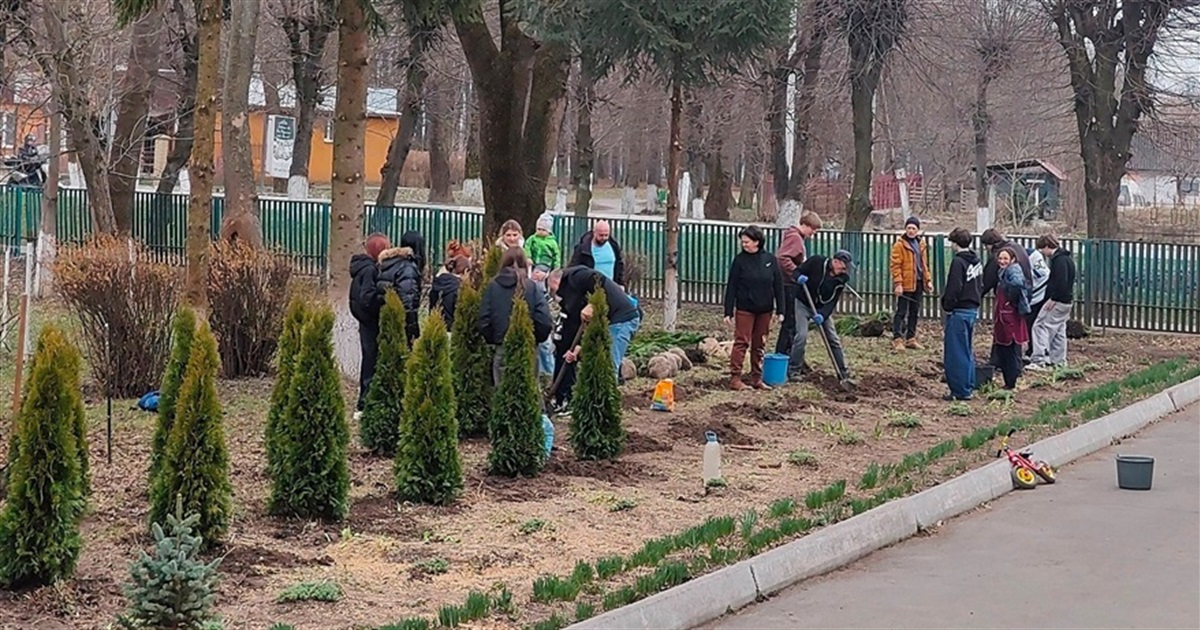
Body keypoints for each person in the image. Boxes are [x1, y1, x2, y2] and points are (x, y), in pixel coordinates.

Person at [547, 265, 641, 409]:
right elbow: (581, 324)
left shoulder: (576, 276)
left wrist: (593, 303)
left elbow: (599, 281)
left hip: (622, 319)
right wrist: (577, 349)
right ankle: (597, 403)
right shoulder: (573, 296)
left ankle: (608, 406)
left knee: (609, 363)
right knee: (600, 360)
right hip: (608, 321)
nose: (555, 294)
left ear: (555, 281)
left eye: (553, 289)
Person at [478, 248, 554, 387]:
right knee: (529, 391)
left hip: (503, 346)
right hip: (528, 347)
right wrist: (535, 339)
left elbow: (484, 319)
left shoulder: (493, 286)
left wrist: (496, 339)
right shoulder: (532, 287)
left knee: (502, 393)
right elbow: (544, 319)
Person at [722, 225, 785, 391]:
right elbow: (732, 286)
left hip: (765, 309)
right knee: (742, 342)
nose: (744, 244)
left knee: (760, 343)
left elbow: (778, 285)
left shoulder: (770, 260)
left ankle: (757, 378)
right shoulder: (739, 261)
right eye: (742, 242)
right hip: (745, 308)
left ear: (757, 241)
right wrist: (728, 311)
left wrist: (781, 310)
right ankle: (735, 378)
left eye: (747, 241)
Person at [787, 250, 853, 382]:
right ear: (835, 262)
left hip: (820, 309)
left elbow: (832, 302)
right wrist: (798, 277)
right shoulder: (817, 262)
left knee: (833, 339)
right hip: (803, 303)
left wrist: (822, 315)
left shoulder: (841, 279)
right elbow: (796, 272)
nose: (844, 270)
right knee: (801, 336)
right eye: (843, 267)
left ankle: (842, 371)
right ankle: (794, 370)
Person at [349, 233, 391, 415]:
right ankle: (364, 402)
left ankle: (366, 399)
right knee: (370, 360)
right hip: (369, 321)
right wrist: (383, 299)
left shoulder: (362, 267)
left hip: (365, 320)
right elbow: (367, 297)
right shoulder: (369, 271)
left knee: (370, 359)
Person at [940, 228, 984, 401]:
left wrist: (947, 305)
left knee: (956, 352)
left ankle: (959, 391)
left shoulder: (958, 262)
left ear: (955, 243)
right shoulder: (976, 261)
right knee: (967, 350)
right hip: (972, 310)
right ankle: (969, 383)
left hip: (959, 311)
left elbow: (954, 287)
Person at [980, 228, 1031, 367]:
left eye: (986, 246)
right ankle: (1011, 361)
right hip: (1026, 293)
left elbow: (988, 280)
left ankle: (1005, 363)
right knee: (1017, 329)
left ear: (990, 244)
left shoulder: (1000, 254)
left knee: (1004, 329)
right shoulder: (1017, 247)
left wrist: (977, 295)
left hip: (1010, 298)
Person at [775, 211, 822, 355]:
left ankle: (787, 354)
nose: (813, 233)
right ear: (805, 225)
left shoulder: (795, 237)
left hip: (790, 283)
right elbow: (782, 258)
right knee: (790, 322)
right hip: (789, 284)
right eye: (813, 229)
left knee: (791, 322)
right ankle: (784, 354)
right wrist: (797, 273)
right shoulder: (795, 238)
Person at [1028, 235, 1076, 370]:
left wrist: (1053, 298)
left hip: (1057, 301)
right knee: (1060, 329)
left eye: (1042, 249)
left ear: (1048, 246)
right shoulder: (1067, 259)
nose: (1042, 253)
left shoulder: (1059, 261)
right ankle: (1059, 360)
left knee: (1039, 326)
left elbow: (1061, 282)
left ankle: (1039, 359)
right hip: (1066, 302)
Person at [889, 217, 933, 350]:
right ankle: (897, 338)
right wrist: (898, 284)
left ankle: (911, 338)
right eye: (909, 228)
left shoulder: (921, 245)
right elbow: (895, 266)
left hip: (918, 282)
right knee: (901, 311)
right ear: (905, 229)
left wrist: (928, 281)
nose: (911, 231)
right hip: (905, 283)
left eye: (914, 228)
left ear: (918, 230)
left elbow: (924, 265)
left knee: (914, 311)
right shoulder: (900, 245)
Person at [377, 230, 425, 345]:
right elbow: (408, 303)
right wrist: (413, 333)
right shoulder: (408, 268)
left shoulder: (389, 264)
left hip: (387, 319)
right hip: (400, 325)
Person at [993, 247, 1031, 391]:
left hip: (1009, 315)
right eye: (1000, 258)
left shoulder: (1013, 270)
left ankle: (1011, 381)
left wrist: (1010, 300)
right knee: (1005, 349)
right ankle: (1009, 380)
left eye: (1005, 259)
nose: (1002, 261)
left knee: (1010, 348)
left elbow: (1017, 284)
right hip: (1004, 315)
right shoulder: (1003, 271)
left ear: (1013, 260)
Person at [568, 220, 625, 286]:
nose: (603, 238)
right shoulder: (584, 249)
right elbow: (573, 268)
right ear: (594, 233)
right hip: (590, 289)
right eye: (601, 235)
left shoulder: (614, 246)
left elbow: (619, 265)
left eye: (606, 235)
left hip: (610, 287)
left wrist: (620, 283)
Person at [1025, 244, 1051, 361]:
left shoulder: (1032, 257)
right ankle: (1034, 350)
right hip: (1038, 293)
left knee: (1034, 325)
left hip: (1039, 295)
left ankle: (1037, 352)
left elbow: (1041, 274)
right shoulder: (1034, 256)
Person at [430, 255, 471, 327]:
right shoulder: (459, 288)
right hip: (453, 328)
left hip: (436, 326)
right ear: (466, 271)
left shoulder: (437, 283)